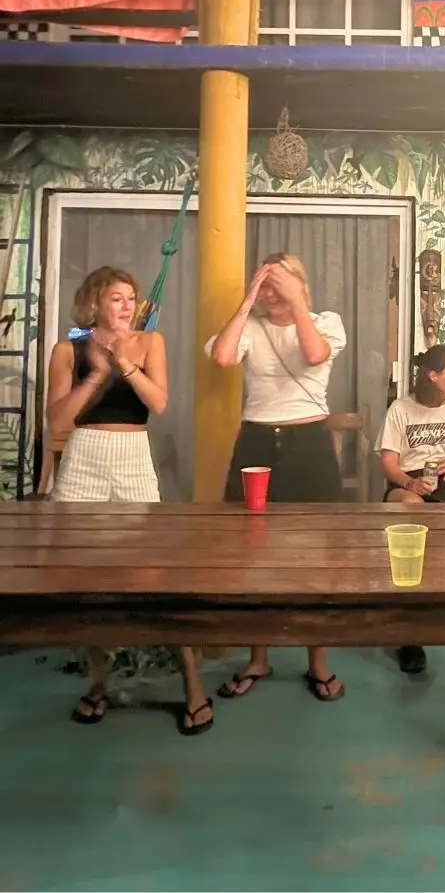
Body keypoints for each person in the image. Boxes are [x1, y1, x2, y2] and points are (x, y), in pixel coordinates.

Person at [46, 266, 212, 735]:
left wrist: (123, 362)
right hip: (83, 458)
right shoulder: (67, 349)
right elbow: (57, 422)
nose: (125, 306)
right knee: (86, 579)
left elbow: (158, 404)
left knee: (155, 575)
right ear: (94, 302)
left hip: (134, 456)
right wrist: (95, 376)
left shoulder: (148, 343)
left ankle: (193, 687)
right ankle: (97, 685)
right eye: (116, 298)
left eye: (131, 298)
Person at [207, 253, 347, 704]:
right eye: (264, 284)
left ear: (299, 284)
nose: (271, 293)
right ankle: (258, 656)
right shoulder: (251, 323)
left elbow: (313, 354)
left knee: (318, 556)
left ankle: (318, 661)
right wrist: (248, 299)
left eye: (277, 284)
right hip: (257, 442)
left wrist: (296, 301)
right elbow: (224, 357)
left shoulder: (326, 321)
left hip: (309, 443)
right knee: (252, 551)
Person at [376, 343, 445, 675]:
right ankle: (410, 636)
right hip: (409, 482)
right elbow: (389, 463)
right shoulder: (401, 409)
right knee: (411, 514)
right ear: (432, 376)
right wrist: (410, 484)